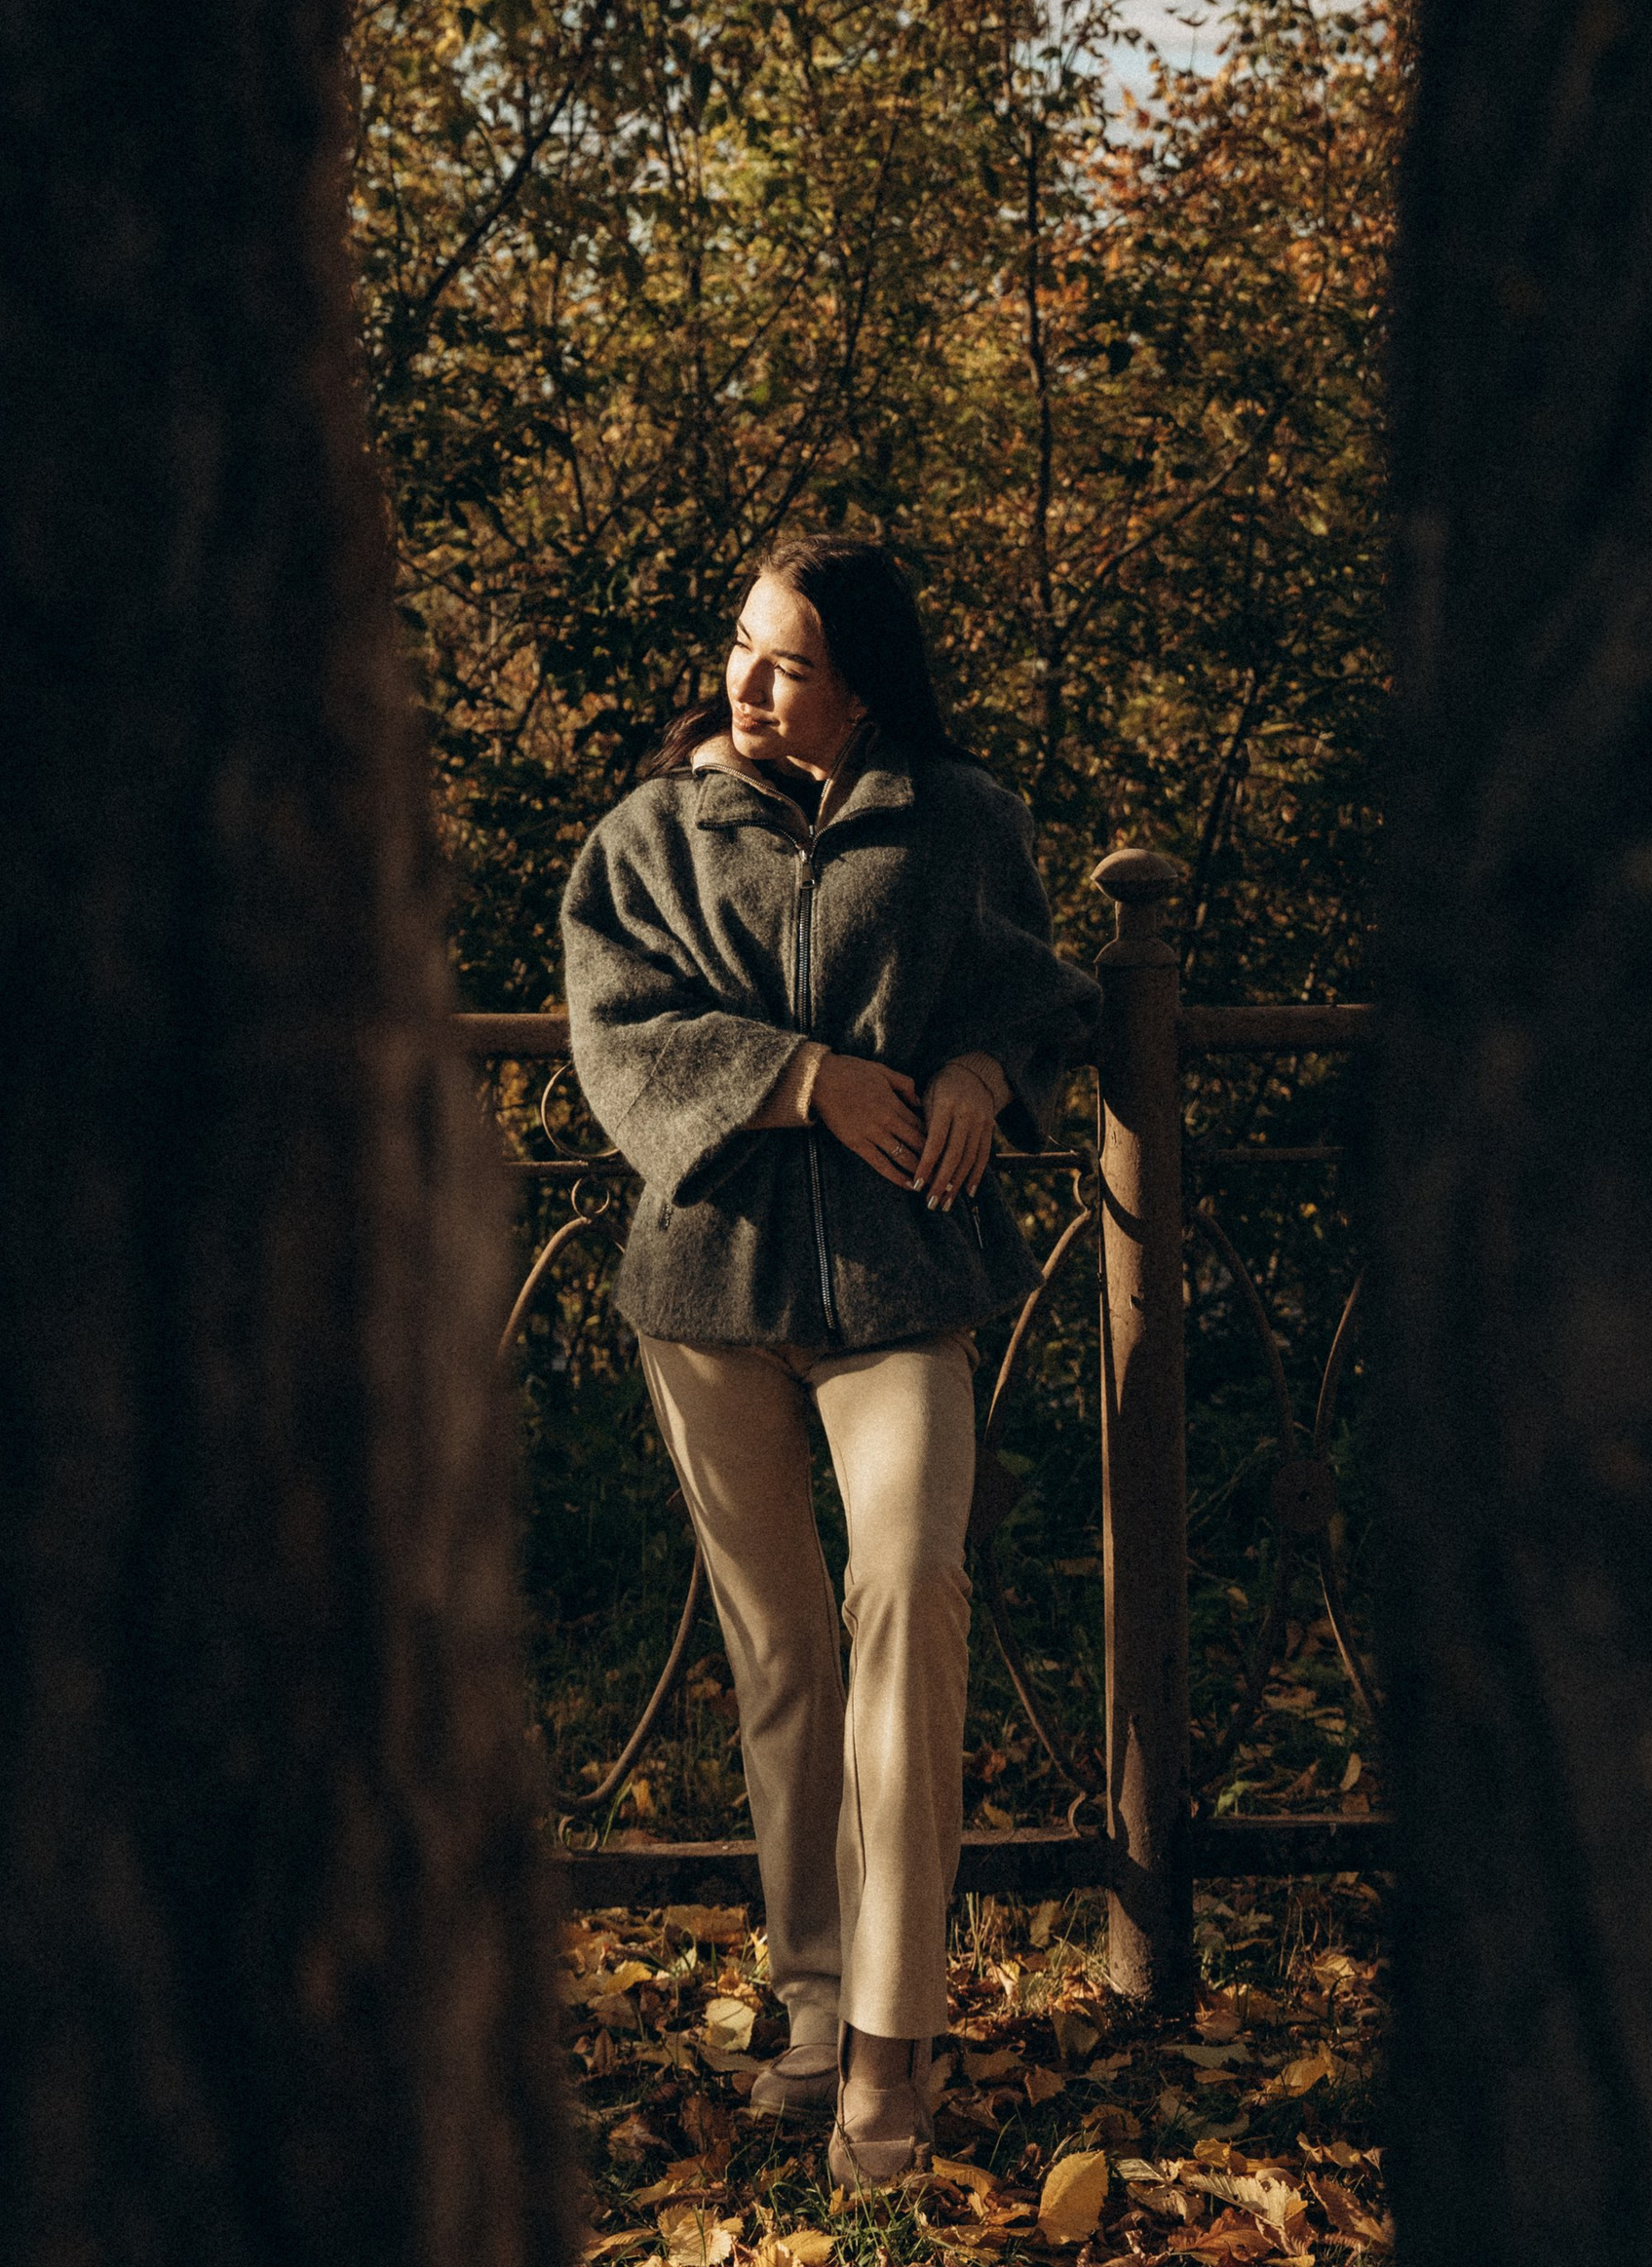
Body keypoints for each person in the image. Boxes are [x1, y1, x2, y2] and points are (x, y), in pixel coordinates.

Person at [561, 534, 1098, 2190]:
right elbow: (613, 1025)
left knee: (910, 1588)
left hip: (896, 1286)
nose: (745, 679)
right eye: (740, 647)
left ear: (863, 676)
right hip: (705, 1287)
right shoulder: (648, 836)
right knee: (782, 1649)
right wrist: (798, 1078)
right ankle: (805, 1996)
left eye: (785, 660)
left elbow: (1041, 993)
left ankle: (889, 2034)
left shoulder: (962, 820)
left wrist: (988, 1072)